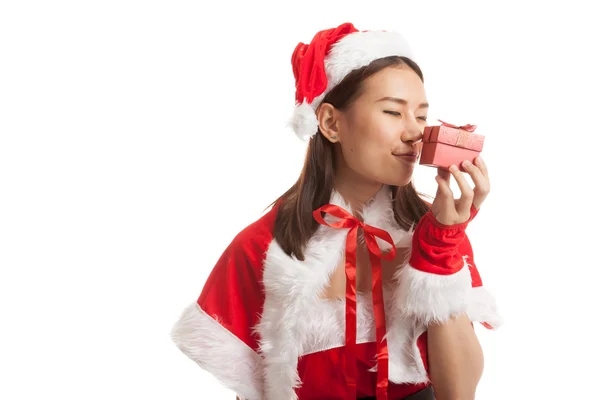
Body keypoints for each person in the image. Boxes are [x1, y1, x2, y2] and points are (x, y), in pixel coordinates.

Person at [170, 22, 502, 400]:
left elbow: (458, 394)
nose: (415, 133)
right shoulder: (261, 248)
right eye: (394, 112)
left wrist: (440, 250)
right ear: (330, 123)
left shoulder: (436, 230)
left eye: (422, 115)